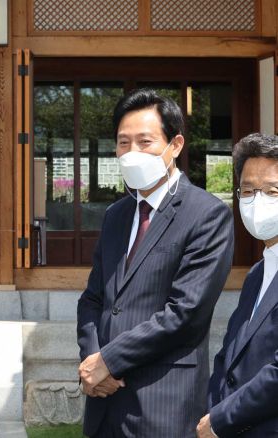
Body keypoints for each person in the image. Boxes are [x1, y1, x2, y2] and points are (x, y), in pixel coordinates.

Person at [76, 89, 234, 437]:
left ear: (175, 145)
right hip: (104, 403)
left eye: (144, 142)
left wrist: (109, 361)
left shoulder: (207, 214)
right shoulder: (116, 215)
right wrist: (92, 362)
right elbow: (93, 299)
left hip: (162, 403)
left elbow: (185, 313)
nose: (132, 152)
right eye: (123, 143)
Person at [198, 133, 278, 437]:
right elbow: (229, 356)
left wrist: (221, 420)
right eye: (247, 190)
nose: (257, 200)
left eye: (271, 191)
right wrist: (212, 411)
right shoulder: (257, 273)